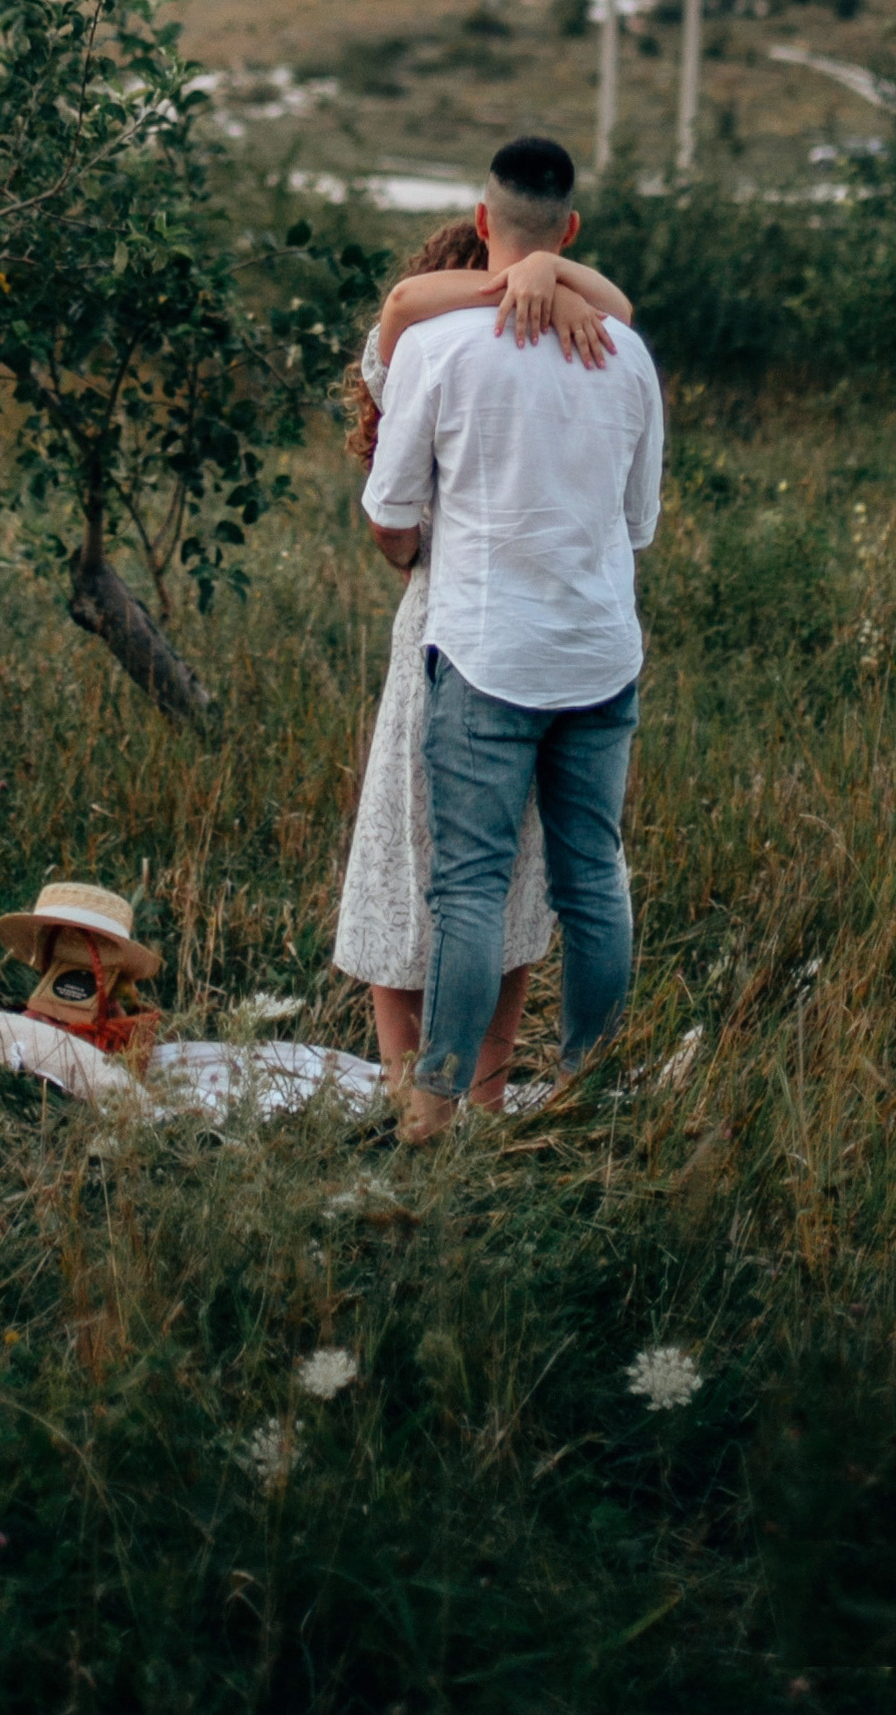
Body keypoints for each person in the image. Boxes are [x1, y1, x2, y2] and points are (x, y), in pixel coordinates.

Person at [361, 132, 665, 1143]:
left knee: (469, 884)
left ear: (480, 223)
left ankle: (434, 1109)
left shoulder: (439, 349)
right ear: (567, 232)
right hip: (597, 651)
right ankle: (585, 1091)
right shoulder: (626, 354)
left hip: (486, 650)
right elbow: (637, 523)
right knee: (594, 879)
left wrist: (415, 548)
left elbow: (390, 514)